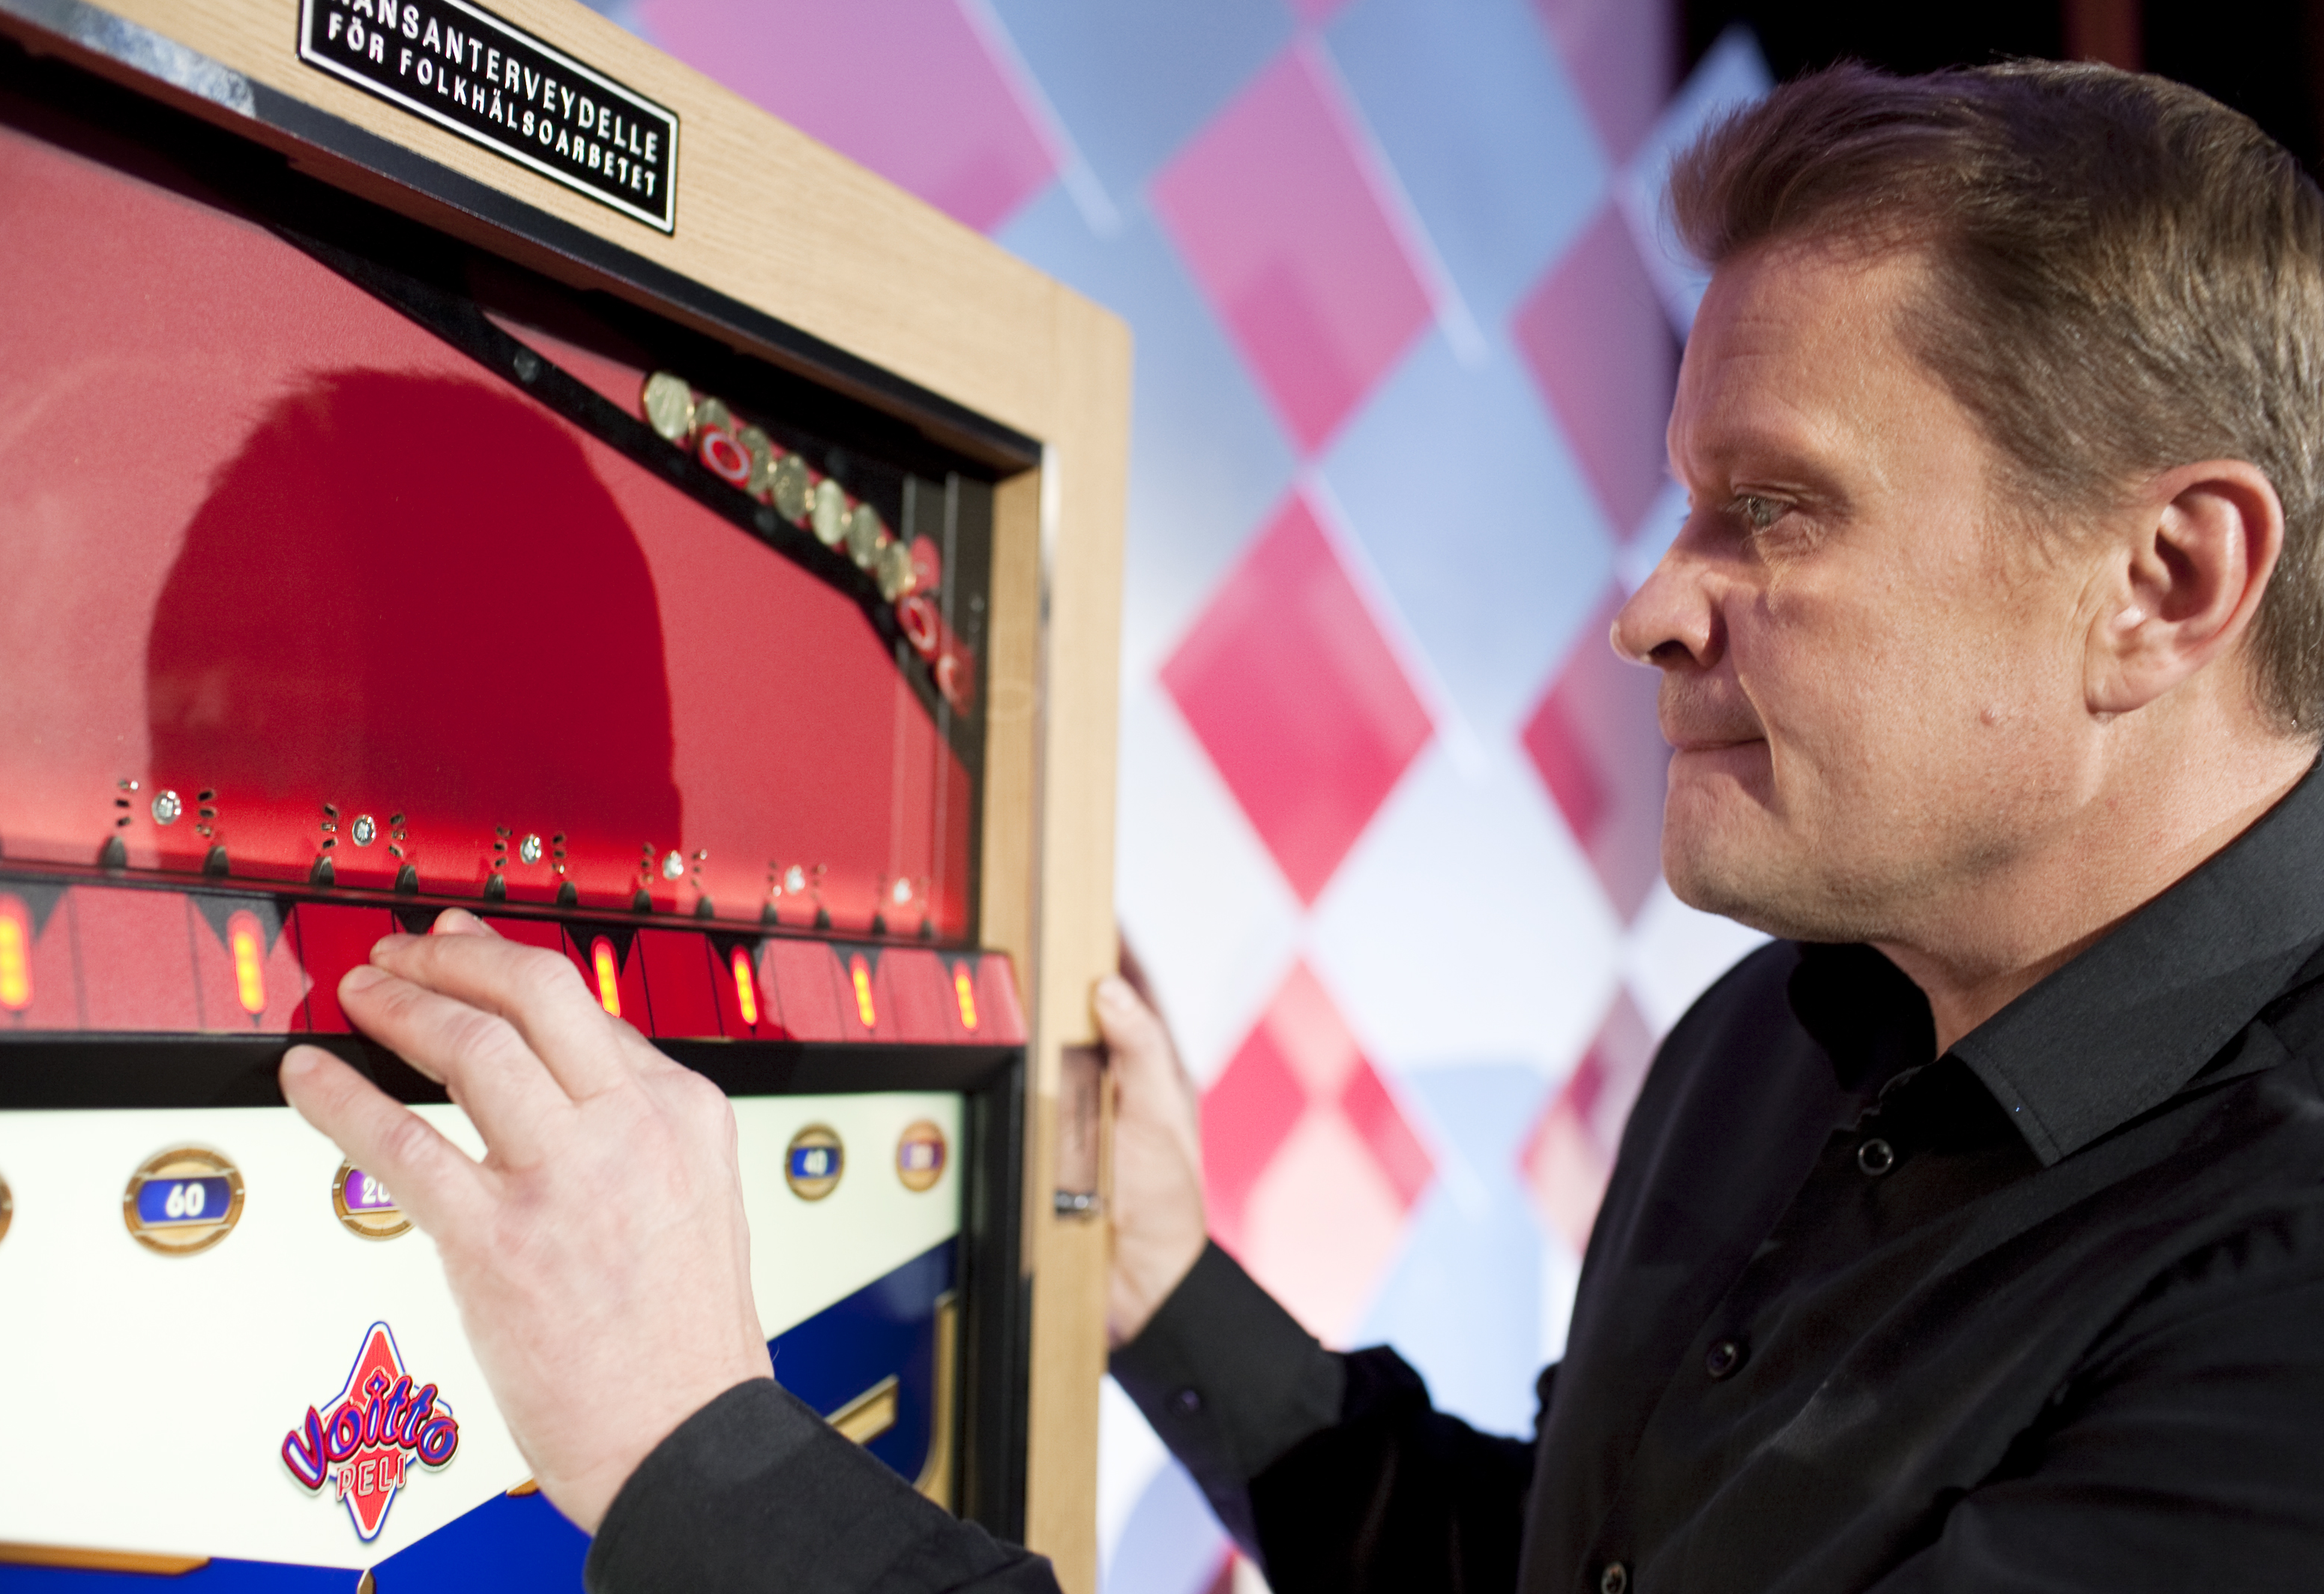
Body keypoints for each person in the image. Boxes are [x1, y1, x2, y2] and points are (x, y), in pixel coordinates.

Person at [282, 58, 2324, 1593]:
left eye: (1772, 512)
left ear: (2165, 582)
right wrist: (1165, 1288)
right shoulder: (1779, 1035)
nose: (1650, 607)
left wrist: (691, 1451)